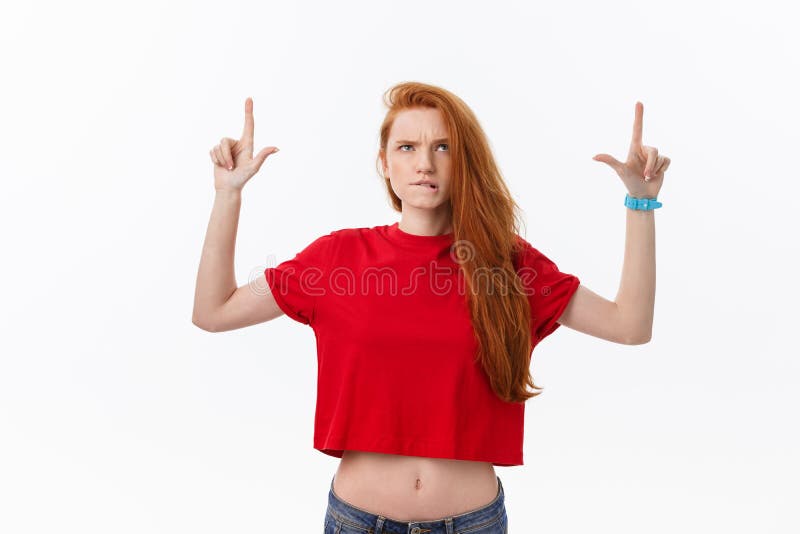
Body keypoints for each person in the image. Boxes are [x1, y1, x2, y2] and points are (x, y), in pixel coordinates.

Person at [192, 82, 670, 533]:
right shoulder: (335, 260)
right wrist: (228, 193)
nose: (425, 162)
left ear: (464, 161)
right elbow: (214, 311)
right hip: (359, 521)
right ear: (383, 163)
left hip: (472, 523)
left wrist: (640, 205)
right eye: (407, 147)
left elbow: (629, 325)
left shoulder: (507, 265)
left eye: (443, 147)